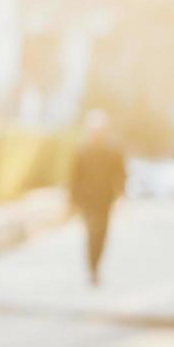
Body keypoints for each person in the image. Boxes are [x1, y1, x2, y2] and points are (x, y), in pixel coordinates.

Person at [69, 109, 128, 286]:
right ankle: (92, 269)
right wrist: (73, 201)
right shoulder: (82, 152)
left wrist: (121, 195)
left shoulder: (113, 152)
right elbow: (74, 178)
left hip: (105, 201)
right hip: (88, 202)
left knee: (102, 235)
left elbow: (121, 174)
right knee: (91, 235)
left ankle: (96, 266)